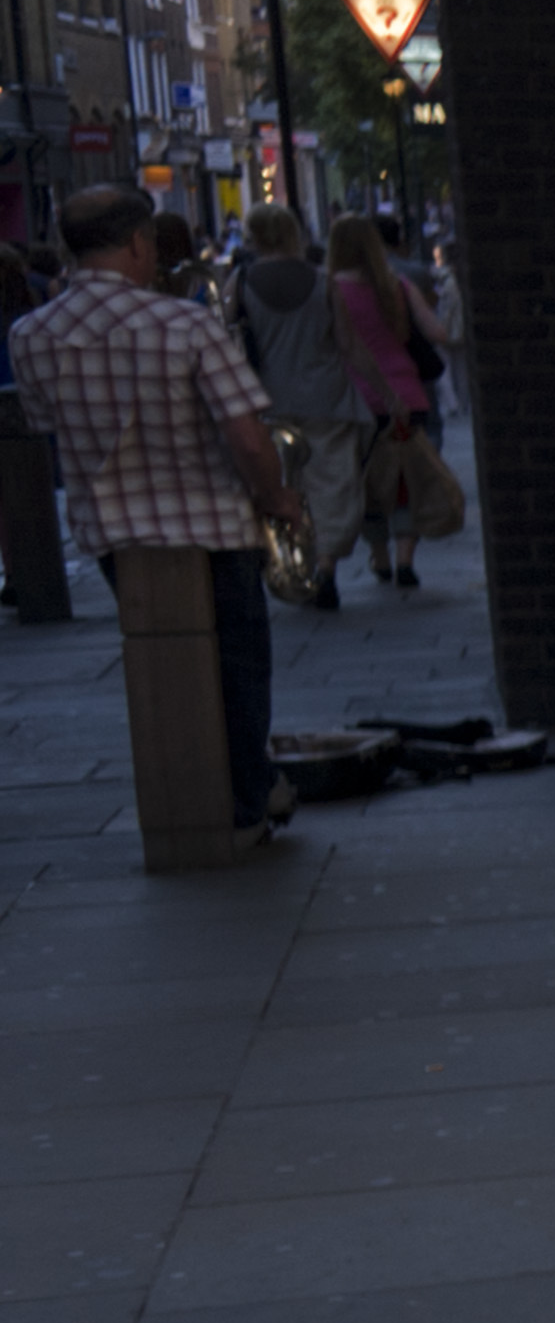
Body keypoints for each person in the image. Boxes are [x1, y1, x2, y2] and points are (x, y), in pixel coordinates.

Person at [10, 186, 299, 839]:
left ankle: (186, 795)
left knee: (163, 665)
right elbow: (247, 436)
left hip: (114, 534)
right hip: (213, 527)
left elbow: (44, 422)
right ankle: (247, 800)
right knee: (238, 666)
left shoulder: (29, 335)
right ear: (139, 243)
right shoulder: (185, 323)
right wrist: (277, 497)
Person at [232, 204, 367, 611]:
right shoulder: (323, 281)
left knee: (283, 486)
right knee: (332, 485)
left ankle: (292, 566)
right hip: (327, 399)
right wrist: (385, 393)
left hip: (267, 401)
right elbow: (348, 344)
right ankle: (324, 566)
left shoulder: (239, 282)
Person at [328, 213, 451, 587]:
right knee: (404, 480)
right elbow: (437, 332)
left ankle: (379, 557)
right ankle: (405, 559)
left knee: (367, 482)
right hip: (407, 395)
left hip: (355, 399)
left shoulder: (330, 289)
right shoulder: (396, 285)